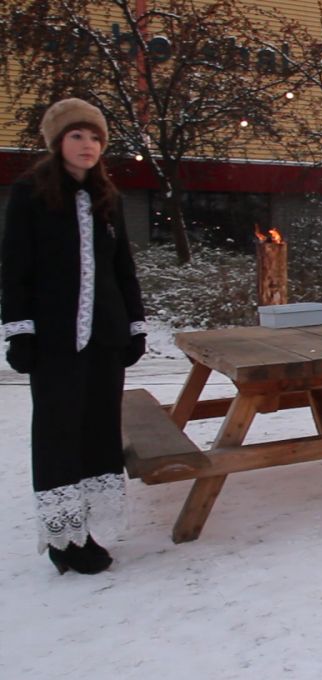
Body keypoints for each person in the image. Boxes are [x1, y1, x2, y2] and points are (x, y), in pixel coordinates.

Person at [2, 98, 147, 574]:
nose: (88, 145)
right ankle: (64, 536)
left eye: (95, 137)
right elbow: (15, 268)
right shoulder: (30, 194)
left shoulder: (108, 197)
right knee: (57, 433)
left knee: (99, 431)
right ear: (57, 142)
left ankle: (88, 529)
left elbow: (123, 269)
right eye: (77, 136)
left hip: (105, 338)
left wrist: (134, 325)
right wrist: (19, 331)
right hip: (54, 340)